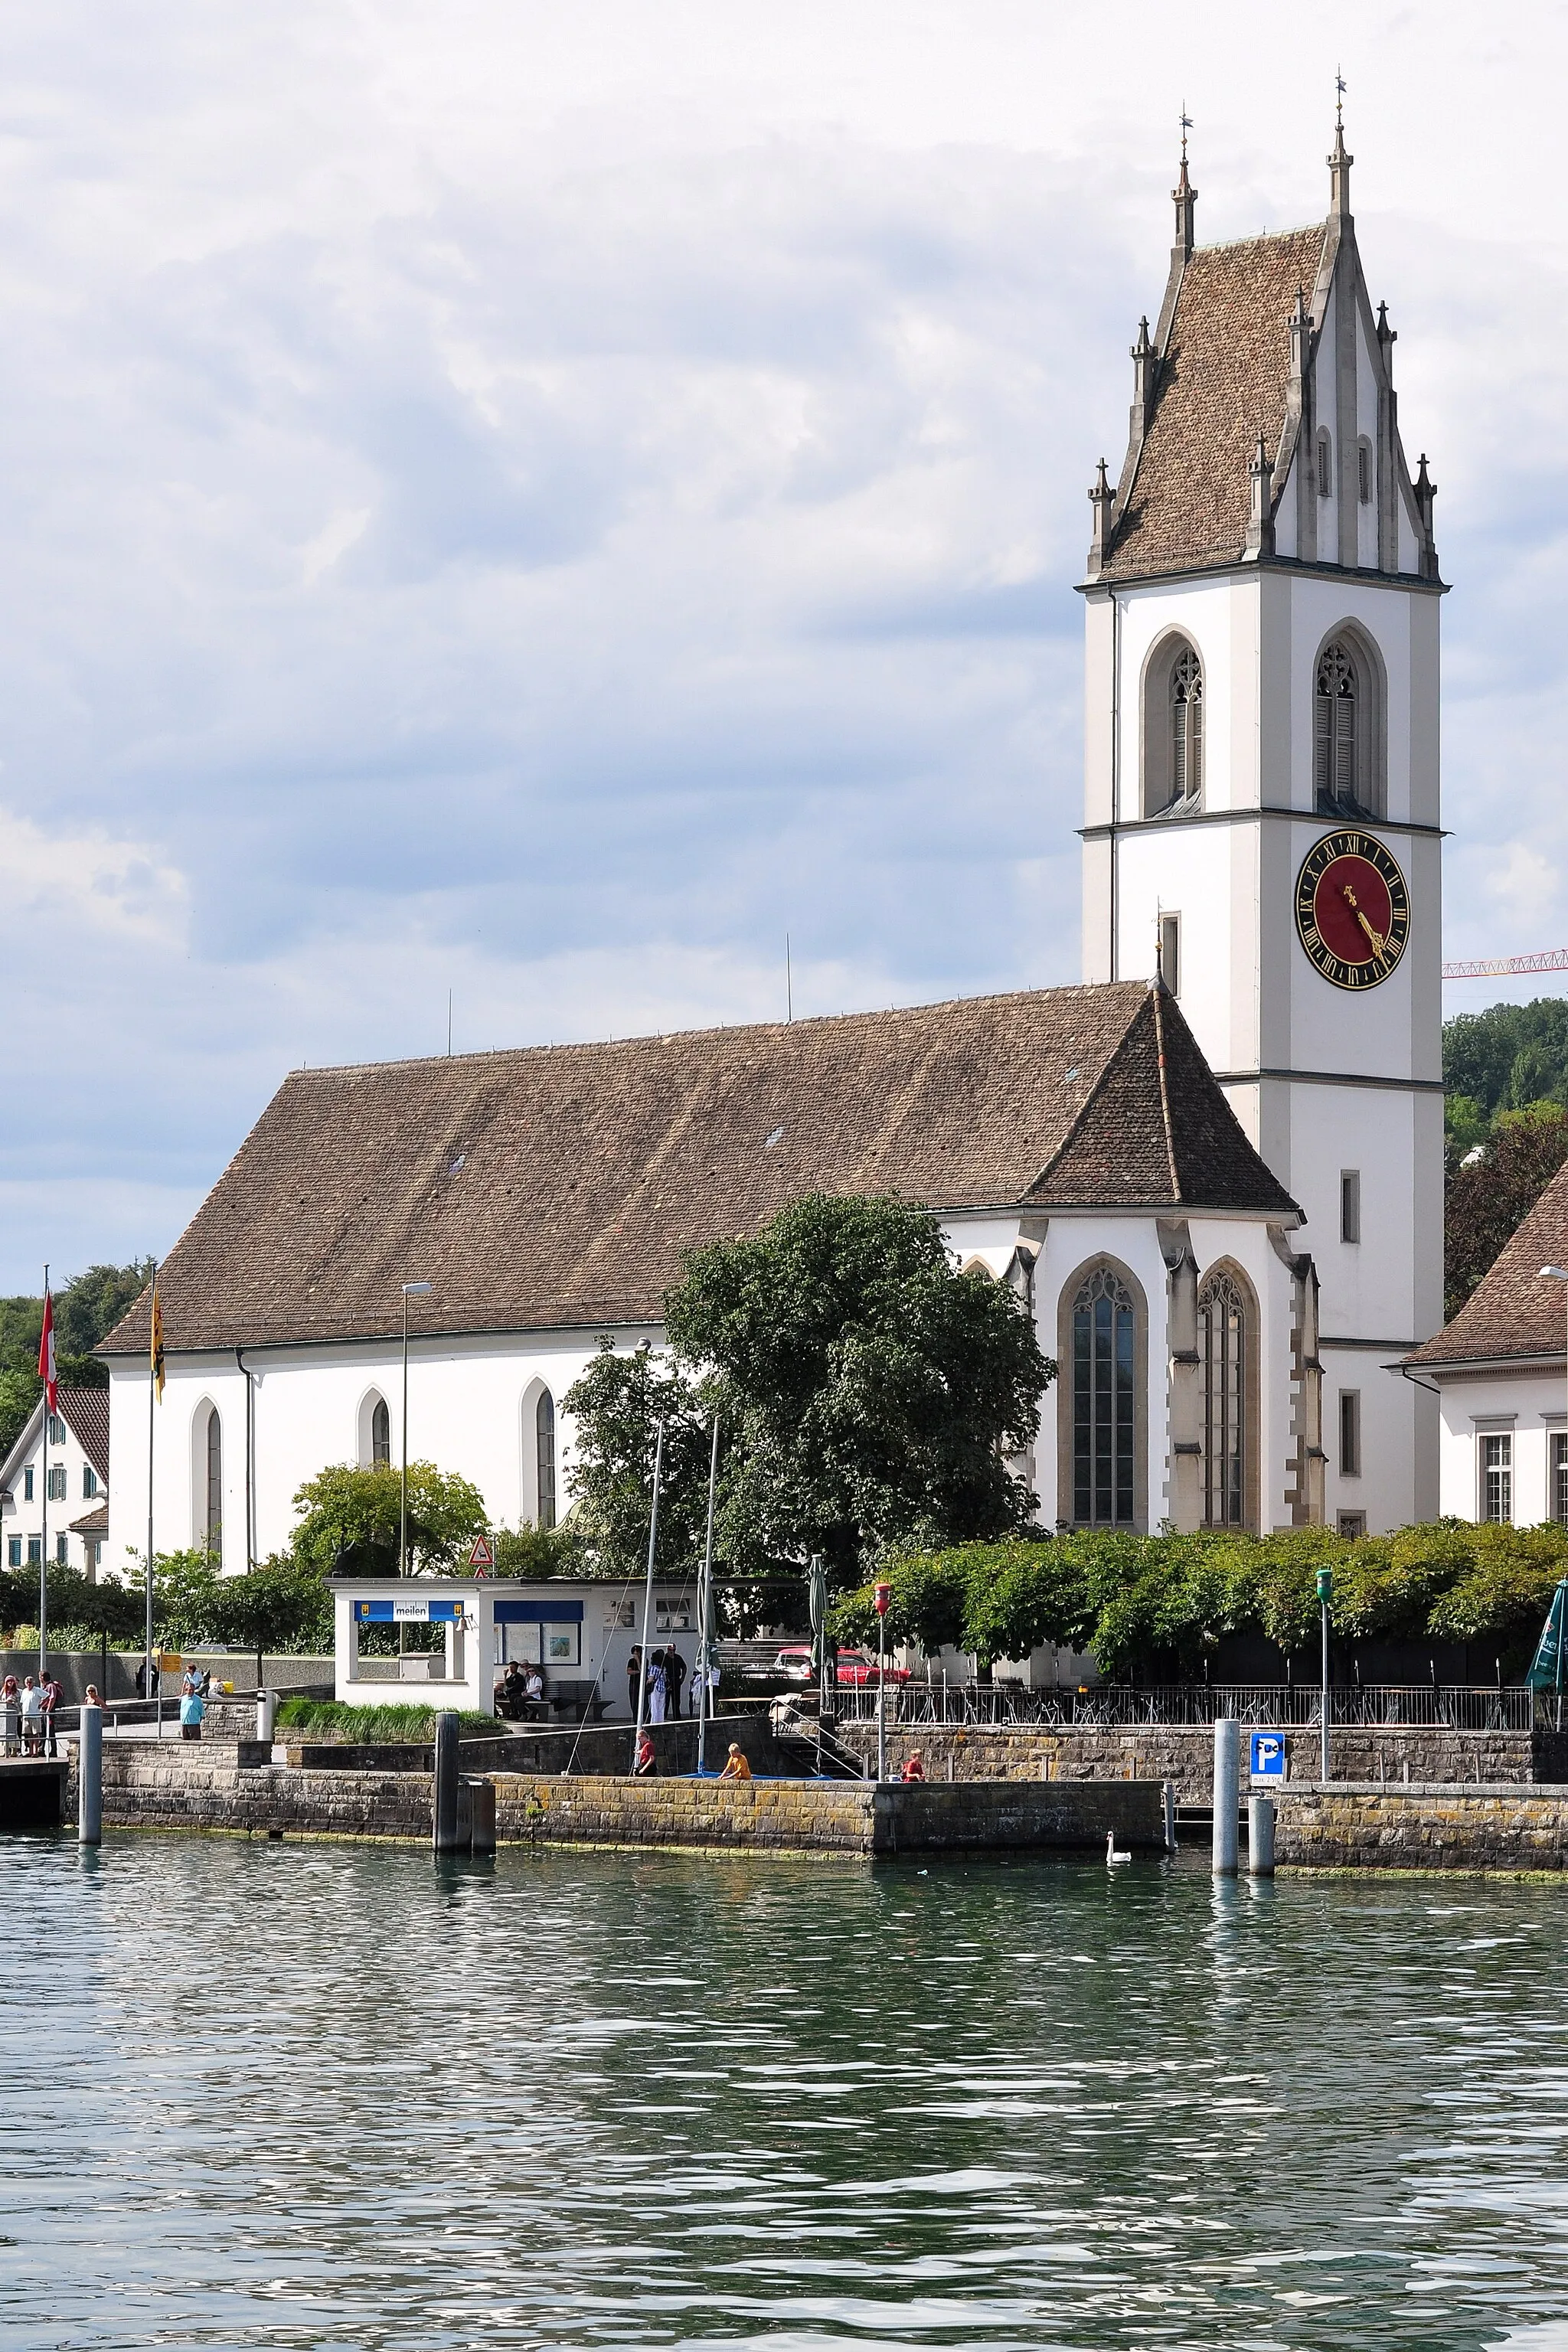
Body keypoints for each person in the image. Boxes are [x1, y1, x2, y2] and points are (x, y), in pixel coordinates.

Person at [19, 1676, 44, 1756]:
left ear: (33, 1683)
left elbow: (48, 1696)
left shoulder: (37, 1690)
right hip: (26, 1715)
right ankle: (30, 1751)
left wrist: (41, 1705)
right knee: (28, 1735)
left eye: (30, 1682)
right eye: (27, 1682)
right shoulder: (24, 1691)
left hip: (35, 1716)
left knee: (35, 1734)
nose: (29, 1684)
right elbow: (22, 1702)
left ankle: (35, 1751)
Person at [41, 1671, 62, 1758]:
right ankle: (42, 1750)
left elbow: (52, 1699)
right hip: (44, 1711)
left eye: (40, 1677)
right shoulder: (46, 1686)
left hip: (49, 1711)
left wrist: (48, 1711)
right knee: (43, 1731)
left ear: (42, 1677)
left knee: (51, 1731)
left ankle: (53, 1751)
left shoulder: (51, 1686)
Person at [665, 1646, 687, 1720]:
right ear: (668, 1650)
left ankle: (677, 1718)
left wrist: (682, 1678)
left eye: (673, 1650)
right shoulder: (664, 1658)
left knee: (676, 1701)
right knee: (666, 1701)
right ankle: (664, 1717)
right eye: (670, 1650)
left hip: (676, 1680)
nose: (672, 1652)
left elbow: (684, 1667)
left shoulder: (678, 1657)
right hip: (667, 1681)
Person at [179, 1679, 205, 1743]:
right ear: (186, 1690)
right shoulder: (183, 1698)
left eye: (192, 1690)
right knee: (185, 1742)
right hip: (185, 1723)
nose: (191, 1691)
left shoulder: (198, 1699)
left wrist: (200, 1719)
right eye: (189, 1689)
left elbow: (202, 1711)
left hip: (194, 1724)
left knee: (196, 1742)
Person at [1, 1674, 20, 1757]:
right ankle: (6, 1751)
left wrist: (12, 1702)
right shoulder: (3, 1691)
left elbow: (18, 1703)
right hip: (5, 1714)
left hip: (13, 1714)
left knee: (13, 1731)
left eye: (11, 1681)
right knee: (4, 1731)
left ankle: (14, 1750)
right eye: (8, 1681)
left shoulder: (16, 1692)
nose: (10, 1683)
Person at [647, 1649, 667, 1726]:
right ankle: (660, 1722)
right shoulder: (662, 1669)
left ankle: (654, 1722)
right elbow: (665, 1679)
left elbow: (651, 1679)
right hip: (663, 1688)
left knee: (654, 1705)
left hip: (655, 1688)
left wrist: (647, 1682)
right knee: (661, 1706)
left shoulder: (653, 1668)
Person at [626, 1645, 644, 1720]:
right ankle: (635, 1719)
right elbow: (629, 1671)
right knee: (633, 1702)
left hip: (641, 1683)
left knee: (641, 1702)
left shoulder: (644, 1660)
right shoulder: (631, 1661)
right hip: (633, 1683)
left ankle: (642, 1718)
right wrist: (638, 1672)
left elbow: (642, 1669)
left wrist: (638, 1661)